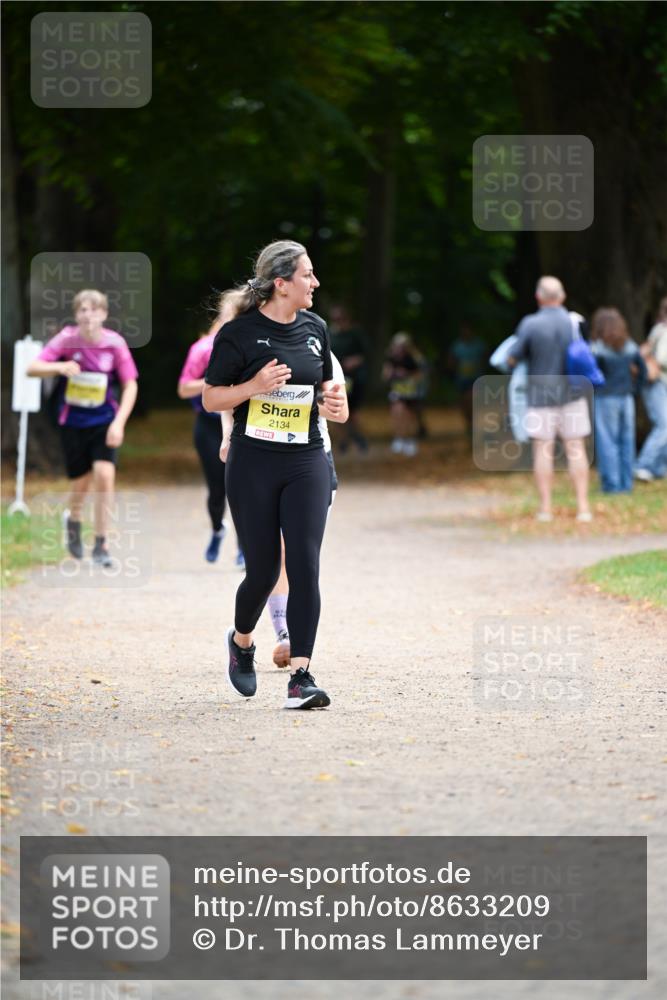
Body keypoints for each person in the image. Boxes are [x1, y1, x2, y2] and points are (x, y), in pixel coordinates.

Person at [203, 240, 347, 710]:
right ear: (281, 283)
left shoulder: (315, 328)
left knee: (304, 564)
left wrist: (335, 403)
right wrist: (253, 387)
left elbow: (324, 385)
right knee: (263, 570)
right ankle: (242, 642)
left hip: (305, 459)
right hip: (253, 462)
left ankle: (301, 676)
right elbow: (211, 399)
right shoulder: (238, 335)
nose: (316, 283)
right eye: (308, 275)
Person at [26, 288, 138, 565]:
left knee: (104, 475)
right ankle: (73, 519)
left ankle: (101, 545)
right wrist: (58, 368)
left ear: (104, 314)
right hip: (73, 422)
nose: (88, 315)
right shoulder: (67, 339)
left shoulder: (115, 344)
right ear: (76, 315)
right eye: (83, 310)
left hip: (105, 421)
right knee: (81, 483)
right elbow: (32, 368)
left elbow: (130, 384)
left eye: (94, 309)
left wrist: (119, 423)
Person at [507, 276, 592, 522]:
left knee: (542, 450)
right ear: (562, 296)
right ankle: (583, 508)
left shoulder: (530, 324)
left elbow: (513, 357)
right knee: (576, 449)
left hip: (540, 395)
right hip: (573, 394)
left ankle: (545, 509)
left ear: (539, 297)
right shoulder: (574, 322)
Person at [178, 291, 245, 566]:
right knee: (217, 490)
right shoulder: (203, 349)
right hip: (208, 424)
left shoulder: (250, 346)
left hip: (242, 422)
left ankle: (244, 547)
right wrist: (213, 382)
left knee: (242, 488)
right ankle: (218, 529)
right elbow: (183, 388)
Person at [590, 308, 647, 493]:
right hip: (626, 399)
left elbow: (592, 374)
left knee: (607, 442)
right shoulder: (630, 346)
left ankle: (611, 485)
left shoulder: (598, 348)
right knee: (626, 441)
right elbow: (643, 371)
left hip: (606, 398)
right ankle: (626, 484)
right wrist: (635, 390)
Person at [328, 304, 368, 453]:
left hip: (354, 378)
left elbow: (365, 354)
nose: (338, 321)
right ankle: (343, 440)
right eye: (335, 318)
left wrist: (354, 361)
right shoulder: (330, 334)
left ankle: (358, 437)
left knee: (354, 412)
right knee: (336, 409)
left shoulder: (355, 333)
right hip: (335, 377)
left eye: (340, 318)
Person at [635, 297, 667, 481]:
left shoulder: (659, 329)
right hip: (656, 383)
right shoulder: (663, 330)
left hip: (661, 382)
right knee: (664, 425)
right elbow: (662, 359)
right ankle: (644, 465)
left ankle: (659, 468)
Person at [382, 332, 427, 457]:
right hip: (397, 391)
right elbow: (385, 375)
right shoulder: (391, 358)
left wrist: (407, 375)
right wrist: (393, 373)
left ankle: (409, 440)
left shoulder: (414, 358)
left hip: (410, 391)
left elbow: (420, 376)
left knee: (409, 415)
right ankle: (398, 438)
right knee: (397, 412)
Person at [448, 322, 488, 435]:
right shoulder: (457, 346)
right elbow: (451, 361)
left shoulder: (479, 345)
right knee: (464, 404)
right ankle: (469, 423)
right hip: (461, 380)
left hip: (475, 379)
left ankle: (473, 424)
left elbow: (485, 358)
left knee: (472, 400)